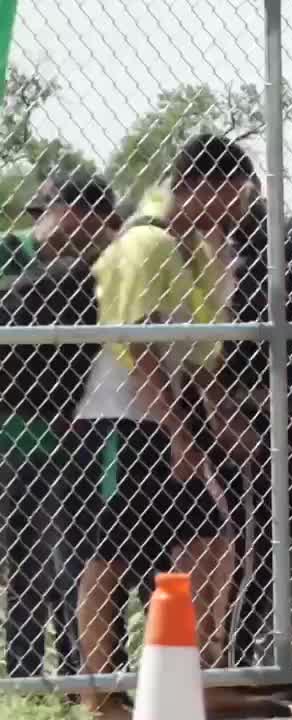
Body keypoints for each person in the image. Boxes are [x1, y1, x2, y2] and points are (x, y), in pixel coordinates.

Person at [71, 134, 286, 720]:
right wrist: (180, 435)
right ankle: (97, 693)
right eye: (233, 199)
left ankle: (196, 676)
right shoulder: (145, 243)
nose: (240, 213)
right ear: (199, 187)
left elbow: (198, 355)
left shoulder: (194, 251)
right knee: (107, 555)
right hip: (123, 419)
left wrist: (222, 421)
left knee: (213, 539)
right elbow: (138, 349)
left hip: (168, 418)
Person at [0, 172, 115, 679]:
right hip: (14, 434)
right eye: (81, 220)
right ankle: (25, 673)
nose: (90, 233)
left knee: (71, 562)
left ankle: (75, 672)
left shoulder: (101, 266)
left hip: (74, 438)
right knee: (28, 563)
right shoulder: (11, 255)